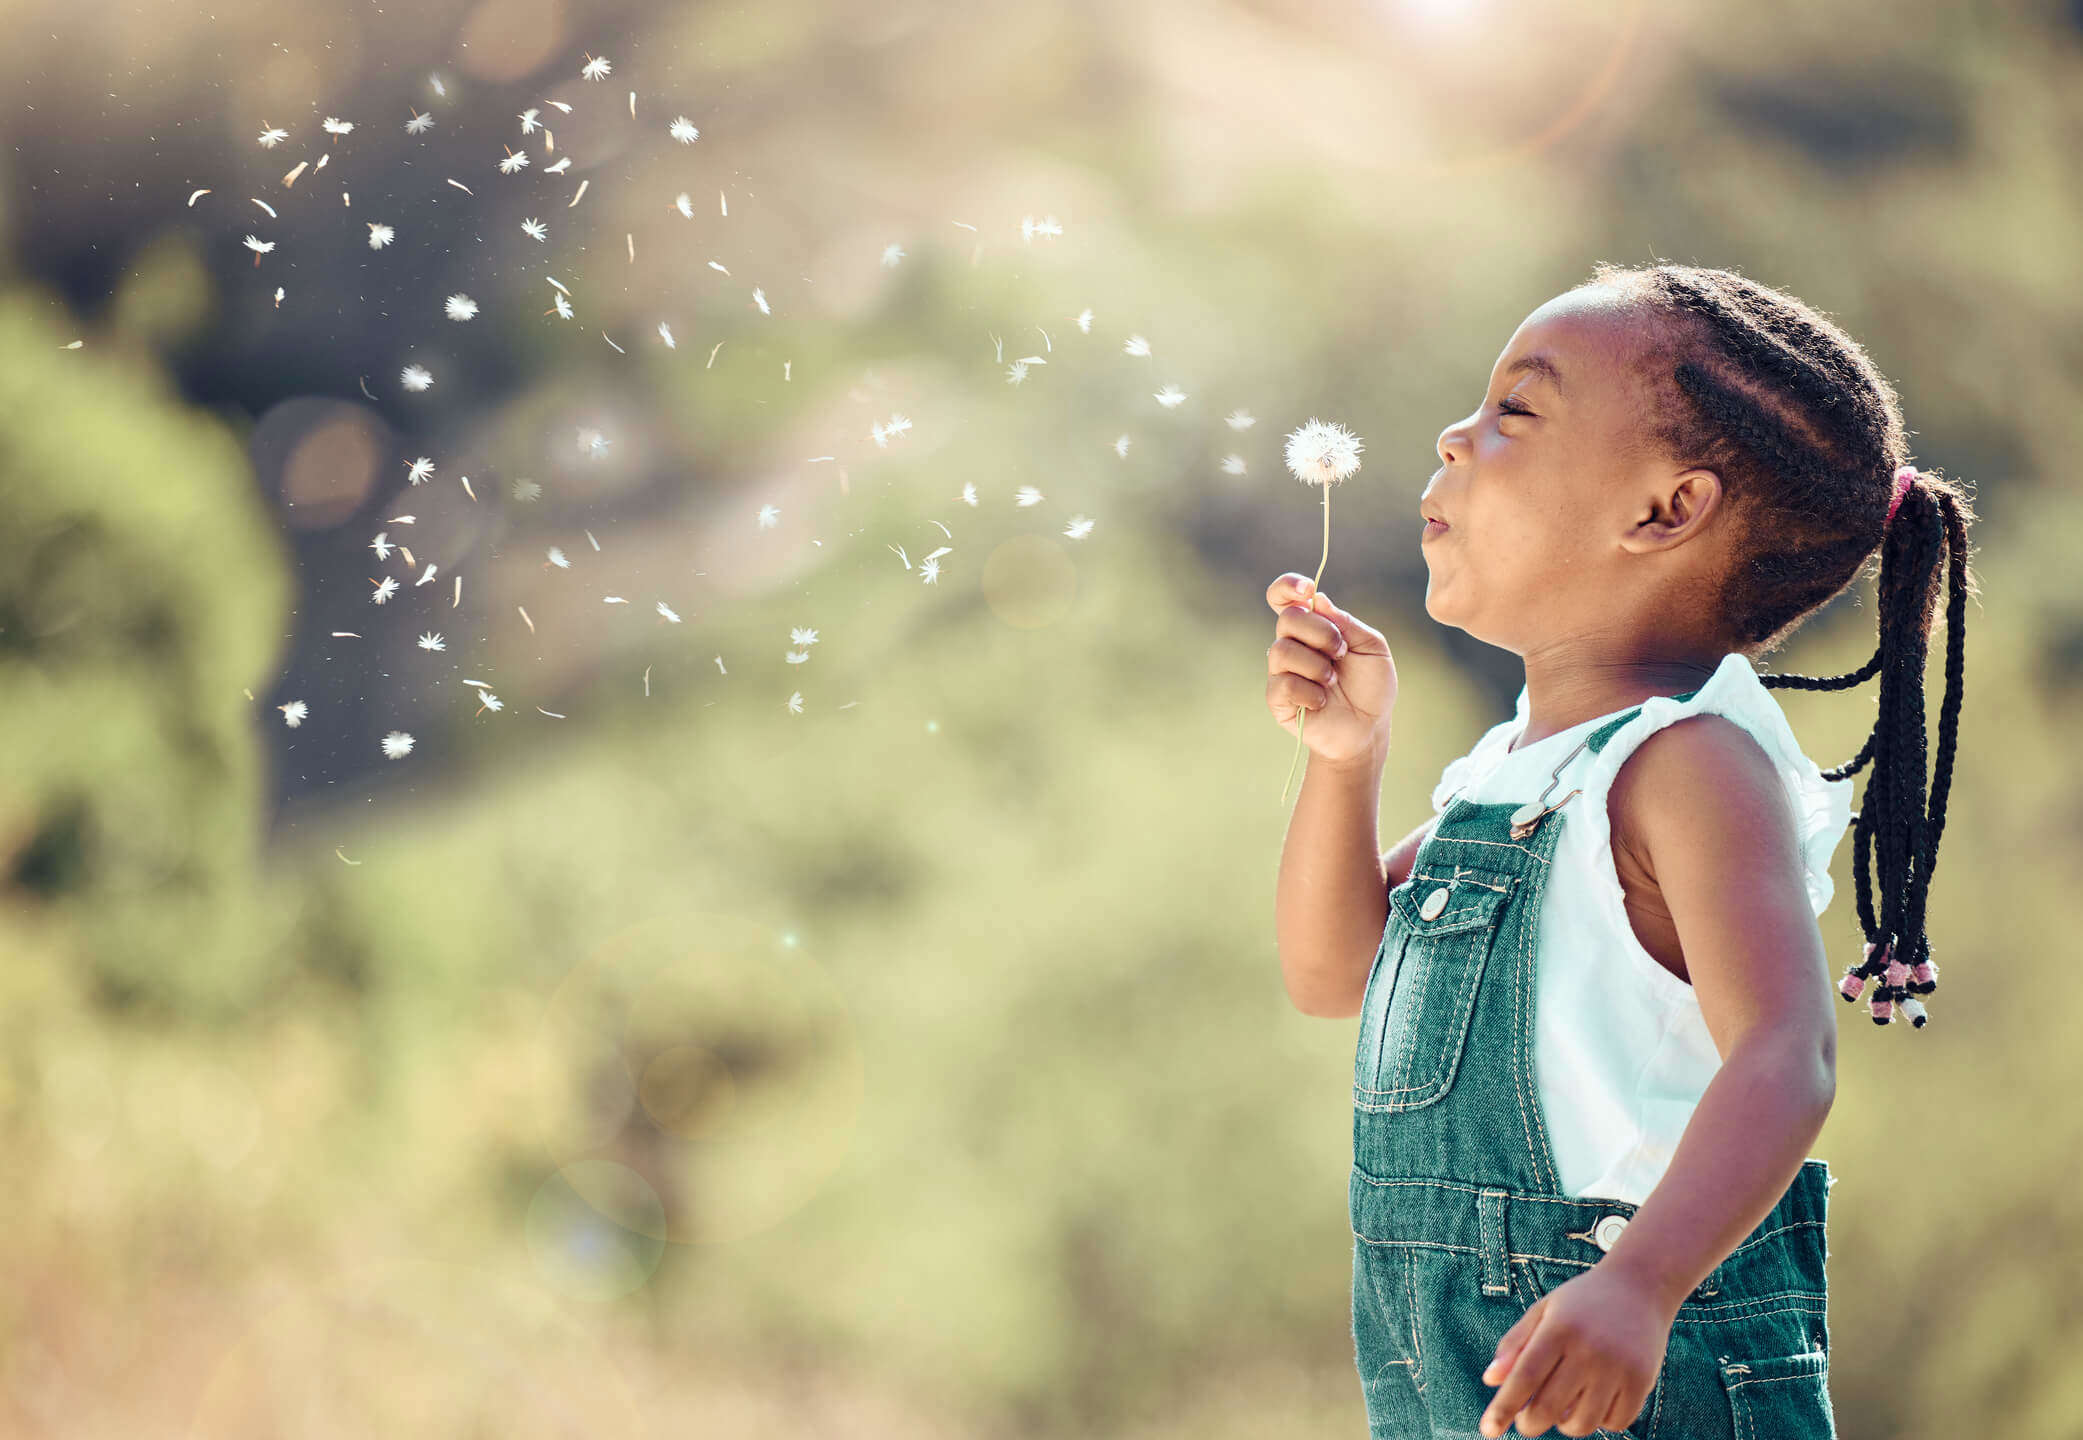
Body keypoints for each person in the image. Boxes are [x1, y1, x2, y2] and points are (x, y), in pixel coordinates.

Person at [1264, 262, 1978, 1439]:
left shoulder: (1689, 766)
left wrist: (1642, 1282)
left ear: (1662, 510)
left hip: (1646, 1378)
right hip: (1465, 1373)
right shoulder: (1512, 770)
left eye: (1515, 411)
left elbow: (1785, 1052)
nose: (1454, 435)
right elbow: (1331, 974)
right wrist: (1346, 762)